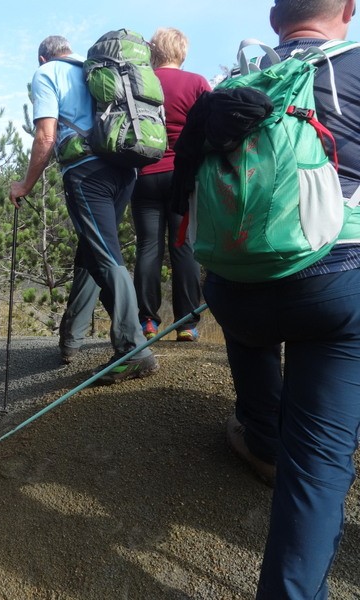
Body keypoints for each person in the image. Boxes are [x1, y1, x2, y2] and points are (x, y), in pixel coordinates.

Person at [202, 0, 360, 597]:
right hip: (333, 283)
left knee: (251, 322)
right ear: (348, 8)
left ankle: (262, 438)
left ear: (275, 17)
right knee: (318, 467)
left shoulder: (233, 82)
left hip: (233, 288)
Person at [9, 35, 158, 384]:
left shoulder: (46, 74)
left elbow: (46, 136)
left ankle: (134, 350)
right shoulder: (98, 69)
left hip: (87, 173)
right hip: (125, 169)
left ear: (42, 57)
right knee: (93, 250)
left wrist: (24, 185)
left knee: (106, 256)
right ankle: (72, 337)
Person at [131, 28, 208, 342]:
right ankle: (187, 324)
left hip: (143, 175)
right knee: (183, 247)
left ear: (153, 52)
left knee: (148, 247)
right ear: (182, 51)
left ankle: (147, 321)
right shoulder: (197, 83)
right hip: (183, 178)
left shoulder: (138, 83)